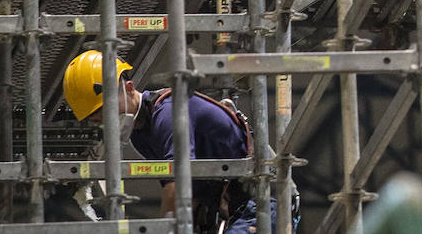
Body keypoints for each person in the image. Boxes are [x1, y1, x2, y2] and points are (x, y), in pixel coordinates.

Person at [63, 49, 295, 232]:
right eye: (98, 120)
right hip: (229, 209)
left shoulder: (168, 113)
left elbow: (176, 188)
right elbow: (187, 194)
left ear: (129, 88)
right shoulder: (140, 134)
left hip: (262, 201)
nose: (106, 122)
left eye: (107, 111)